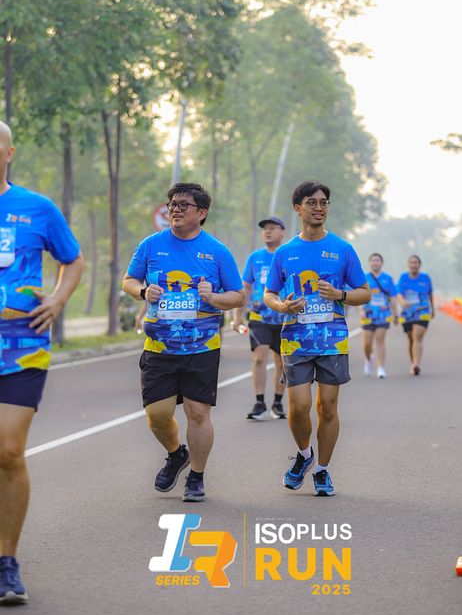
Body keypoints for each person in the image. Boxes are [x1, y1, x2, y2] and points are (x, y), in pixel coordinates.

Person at [0, 121, 84, 604]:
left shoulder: (37, 208)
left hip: (21, 346)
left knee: (9, 452)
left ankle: (6, 562)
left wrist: (57, 299)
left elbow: (72, 260)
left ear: (9, 152)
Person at [123, 182, 244, 503]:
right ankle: (177, 454)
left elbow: (237, 296)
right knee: (157, 414)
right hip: (159, 347)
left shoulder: (217, 251)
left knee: (198, 413)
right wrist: (142, 291)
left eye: (183, 205)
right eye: (172, 204)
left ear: (201, 213)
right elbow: (129, 280)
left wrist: (213, 297)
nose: (175, 209)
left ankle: (197, 477)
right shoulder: (151, 245)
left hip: (202, 347)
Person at [264, 181, 370, 496]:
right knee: (298, 407)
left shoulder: (342, 249)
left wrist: (341, 294)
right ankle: (304, 454)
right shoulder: (284, 252)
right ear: (298, 208)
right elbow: (269, 293)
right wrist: (282, 306)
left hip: (332, 339)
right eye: (312, 202)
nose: (319, 208)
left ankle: (322, 470)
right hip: (295, 339)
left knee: (328, 407)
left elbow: (364, 292)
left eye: (324, 202)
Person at [232, 216, 286, 420]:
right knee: (259, 358)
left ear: (282, 232)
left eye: (272, 228)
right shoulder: (255, 258)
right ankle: (259, 403)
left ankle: (278, 403)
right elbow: (245, 288)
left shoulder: (289, 255)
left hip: (285, 320)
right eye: (265, 229)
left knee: (282, 363)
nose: (267, 231)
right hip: (259, 318)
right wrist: (237, 316)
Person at [360, 253, 398, 378]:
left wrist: (395, 314)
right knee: (367, 344)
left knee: (380, 340)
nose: (375, 262)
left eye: (377, 260)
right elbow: (359, 295)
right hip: (368, 314)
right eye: (373, 260)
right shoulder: (364, 278)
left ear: (381, 263)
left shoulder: (388, 278)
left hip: (383, 314)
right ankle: (368, 358)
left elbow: (393, 297)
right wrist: (361, 310)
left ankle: (381, 368)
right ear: (369, 263)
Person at [397, 255, 434, 376]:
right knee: (411, 338)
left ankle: (416, 364)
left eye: (416, 262)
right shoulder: (403, 277)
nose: (413, 265)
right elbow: (398, 293)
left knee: (417, 336)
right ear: (408, 264)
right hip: (407, 312)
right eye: (411, 262)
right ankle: (413, 362)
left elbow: (430, 293)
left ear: (419, 264)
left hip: (423, 311)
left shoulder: (425, 278)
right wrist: (403, 302)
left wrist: (433, 308)